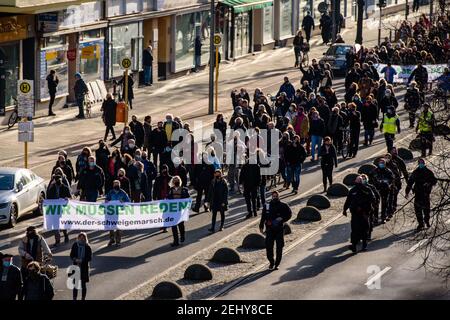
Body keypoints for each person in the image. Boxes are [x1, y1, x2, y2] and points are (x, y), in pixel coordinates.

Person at [259, 191, 292, 270]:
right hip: (269, 229)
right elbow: (263, 217)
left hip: (279, 229)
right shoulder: (267, 206)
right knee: (269, 246)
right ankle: (271, 262)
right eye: (273, 196)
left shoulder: (283, 205)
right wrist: (261, 226)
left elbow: (289, 214)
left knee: (279, 247)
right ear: (271, 197)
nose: (274, 197)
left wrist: (283, 219)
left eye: (276, 196)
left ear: (278, 197)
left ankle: (277, 264)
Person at [343, 176, 376, 253]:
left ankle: (364, 245)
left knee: (364, 229)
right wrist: (344, 209)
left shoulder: (367, 190)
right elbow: (348, 201)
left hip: (364, 213)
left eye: (359, 181)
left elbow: (373, 199)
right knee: (354, 229)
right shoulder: (352, 191)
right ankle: (354, 245)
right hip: (355, 213)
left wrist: (368, 207)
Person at [405, 158, 437, 231]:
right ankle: (421, 224)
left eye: (422, 163)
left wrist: (428, 183)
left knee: (426, 210)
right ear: (418, 164)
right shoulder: (415, 172)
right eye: (419, 163)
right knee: (418, 210)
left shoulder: (428, 172)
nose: (421, 164)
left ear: (424, 163)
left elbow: (434, 181)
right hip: (418, 194)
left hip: (425, 194)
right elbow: (410, 182)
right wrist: (407, 192)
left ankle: (427, 221)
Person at [47, 174, 72, 247]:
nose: (59, 182)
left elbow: (70, 197)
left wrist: (67, 199)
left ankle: (65, 234)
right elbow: (48, 198)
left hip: (63, 209)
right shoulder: (52, 188)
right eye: (57, 181)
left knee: (63, 223)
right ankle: (57, 240)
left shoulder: (65, 188)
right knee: (55, 225)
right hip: (55, 209)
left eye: (60, 181)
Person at [105, 180, 131, 246]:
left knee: (118, 227)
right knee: (111, 226)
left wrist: (123, 201)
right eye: (115, 184)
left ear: (120, 185)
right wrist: (107, 201)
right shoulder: (110, 192)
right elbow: (107, 199)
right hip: (112, 212)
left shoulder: (123, 193)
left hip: (120, 212)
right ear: (113, 185)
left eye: (118, 184)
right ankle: (112, 239)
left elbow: (128, 201)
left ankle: (118, 241)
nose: (116, 185)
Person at [369, 159, 395, 224]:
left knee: (384, 204)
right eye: (380, 163)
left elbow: (392, 180)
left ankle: (383, 217)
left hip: (385, 190)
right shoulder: (374, 171)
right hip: (376, 190)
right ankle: (375, 218)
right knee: (376, 204)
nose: (381, 164)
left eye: (383, 163)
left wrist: (388, 184)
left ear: (385, 164)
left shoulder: (388, 171)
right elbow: (370, 180)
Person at [168, 176, 189, 247]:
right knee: (173, 226)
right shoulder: (171, 190)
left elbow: (187, 199)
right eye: (175, 180)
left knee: (181, 225)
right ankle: (175, 241)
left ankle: (182, 236)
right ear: (173, 182)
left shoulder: (184, 190)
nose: (176, 182)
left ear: (179, 181)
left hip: (181, 211)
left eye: (177, 180)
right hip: (173, 211)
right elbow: (168, 198)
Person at [70, 232, 92, 300]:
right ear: (78, 238)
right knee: (75, 285)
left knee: (83, 285)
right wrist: (75, 259)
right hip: (76, 267)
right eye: (80, 237)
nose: (82, 239)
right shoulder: (75, 245)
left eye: (83, 238)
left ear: (85, 239)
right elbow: (71, 255)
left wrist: (82, 261)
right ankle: (74, 298)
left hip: (84, 267)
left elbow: (89, 258)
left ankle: (83, 298)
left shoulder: (87, 247)